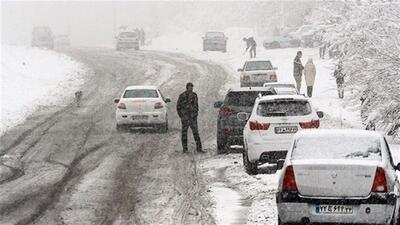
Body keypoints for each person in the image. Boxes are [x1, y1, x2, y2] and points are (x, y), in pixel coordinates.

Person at [177, 82, 204, 153]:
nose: (191, 88)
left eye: (192, 87)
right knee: (184, 133)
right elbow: (178, 107)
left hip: (192, 117)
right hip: (185, 117)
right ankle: (185, 149)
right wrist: (182, 116)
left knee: (195, 133)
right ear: (187, 87)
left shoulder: (194, 95)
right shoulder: (182, 96)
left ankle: (199, 148)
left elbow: (196, 106)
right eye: (190, 87)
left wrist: (195, 114)